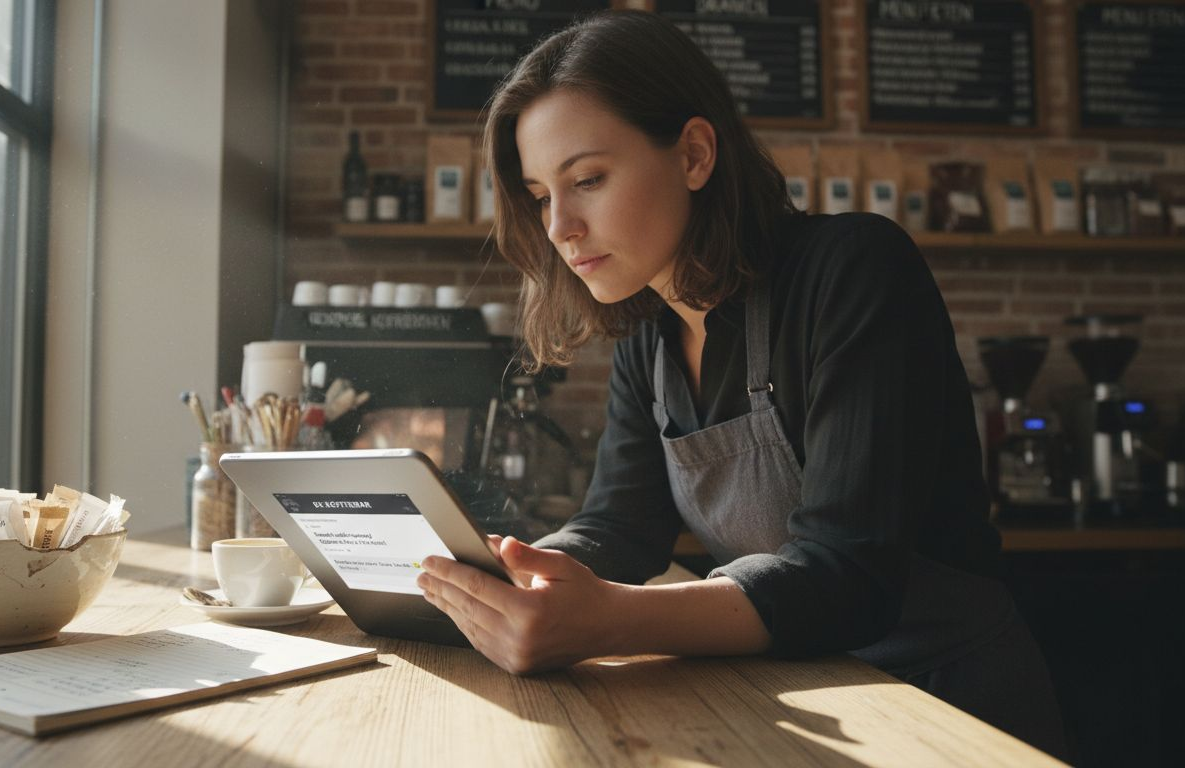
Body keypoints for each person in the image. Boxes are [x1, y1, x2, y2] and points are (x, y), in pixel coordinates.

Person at [415, 10, 1066, 758]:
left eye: (587, 179)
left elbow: (847, 572)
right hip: (799, 699)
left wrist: (610, 618)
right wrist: (508, 575)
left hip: (949, 706)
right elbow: (620, 528)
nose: (559, 226)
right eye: (539, 195)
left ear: (694, 154)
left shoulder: (855, 271)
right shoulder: (649, 331)